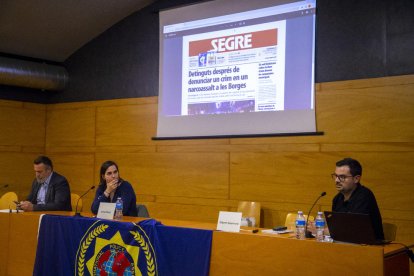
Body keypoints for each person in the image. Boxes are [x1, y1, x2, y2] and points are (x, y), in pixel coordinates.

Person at [331, 157, 384, 240]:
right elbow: (336, 228)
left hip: (370, 247)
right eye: (335, 176)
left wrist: (325, 231)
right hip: (346, 245)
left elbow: (353, 231)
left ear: (356, 179)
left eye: (342, 177)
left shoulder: (365, 196)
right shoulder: (337, 199)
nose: (336, 180)